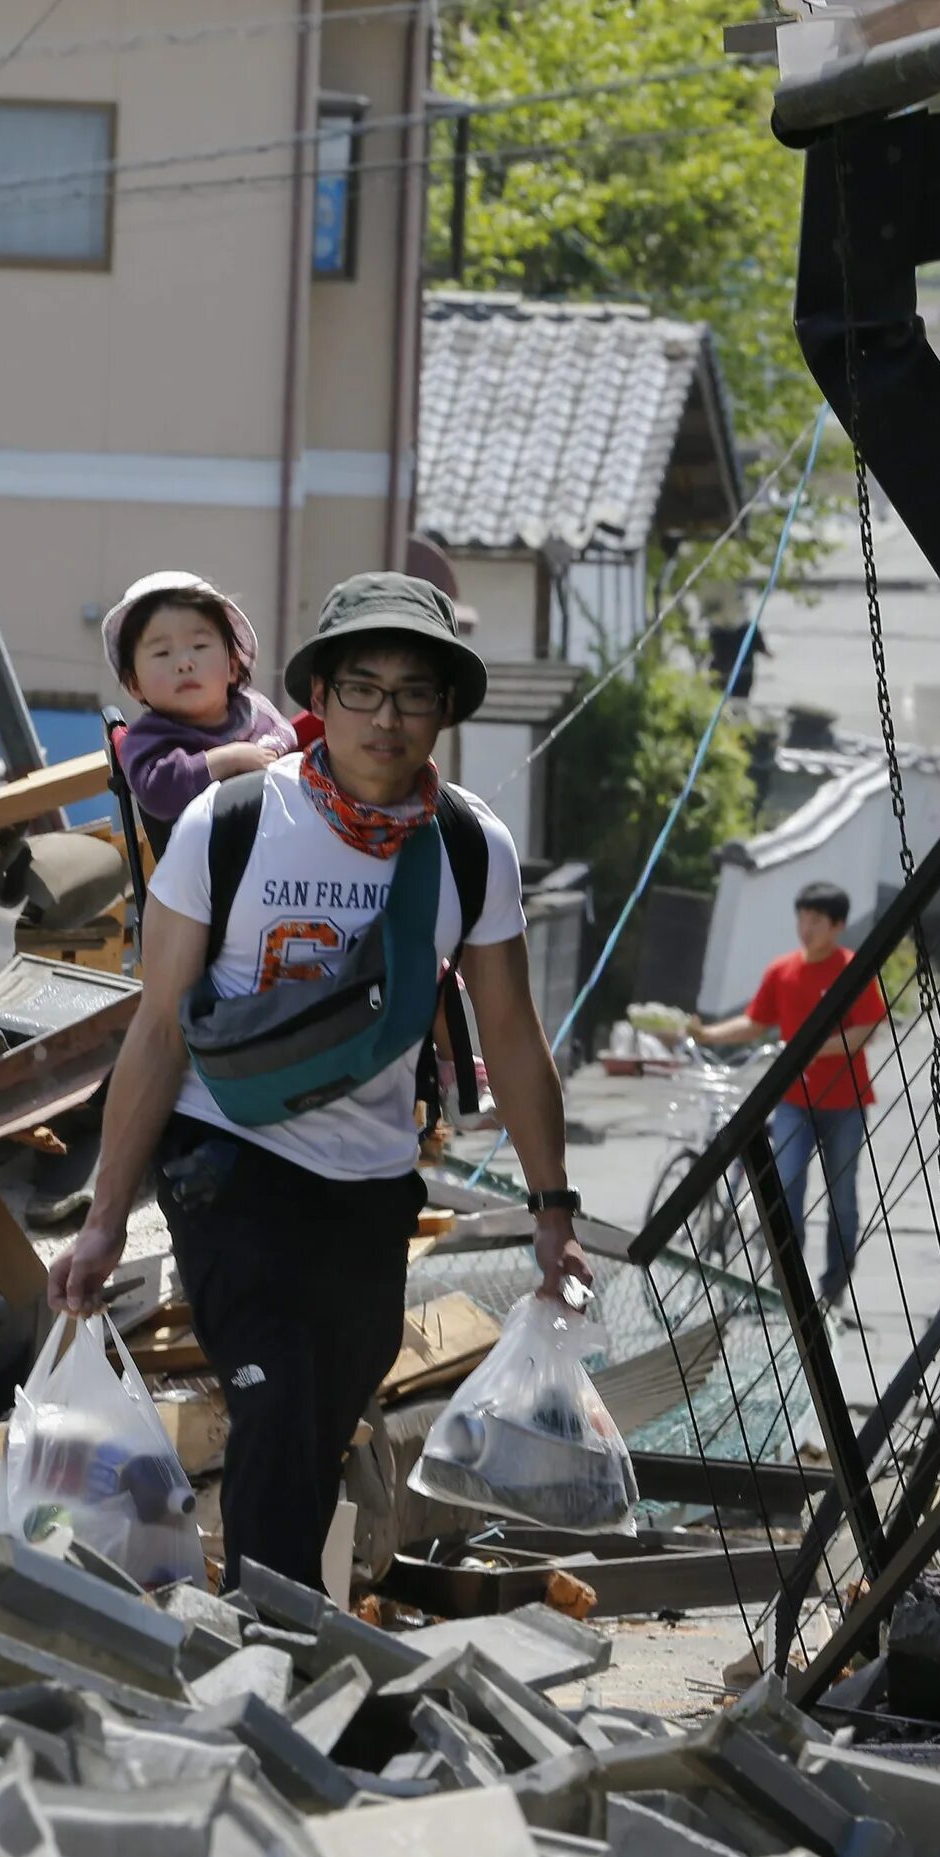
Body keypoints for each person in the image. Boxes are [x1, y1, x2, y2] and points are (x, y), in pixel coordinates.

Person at [49, 572, 591, 1590]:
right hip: (229, 1157)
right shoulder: (233, 822)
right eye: (362, 690)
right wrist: (105, 1217)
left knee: (333, 1399)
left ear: (446, 710)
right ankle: (273, 1646)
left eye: (414, 694)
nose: (386, 718)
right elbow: (159, 1028)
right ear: (321, 698)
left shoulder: (470, 846)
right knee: (280, 1394)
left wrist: (552, 1208)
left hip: (375, 1180)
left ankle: (278, 1626)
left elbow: (513, 1038)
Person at [695, 883, 886, 1321]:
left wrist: (812, 1046)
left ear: (837, 926)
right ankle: (790, 1287)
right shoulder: (783, 971)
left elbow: (868, 1029)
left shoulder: (851, 969)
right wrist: (706, 1034)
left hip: (844, 1101)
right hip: (793, 1101)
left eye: (817, 920)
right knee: (786, 1190)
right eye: (803, 918)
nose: (807, 928)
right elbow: (755, 1023)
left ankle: (834, 1287)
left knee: (842, 1198)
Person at [102, 570, 301, 847]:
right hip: (208, 869)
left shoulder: (252, 710)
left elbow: (286, 734)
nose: (184, 663)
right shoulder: (148, 738)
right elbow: (156, 792)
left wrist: (268, 753)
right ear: (135, 684)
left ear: (232, 667)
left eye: (199, 646)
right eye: (162, 653)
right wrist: (229, 759)